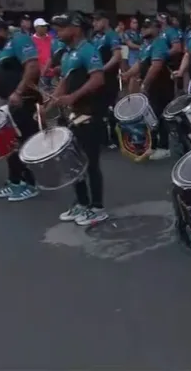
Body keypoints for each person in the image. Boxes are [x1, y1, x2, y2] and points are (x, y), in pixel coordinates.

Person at [50, 12, 109, 226]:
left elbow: (98, 79)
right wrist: (49, 105)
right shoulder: (67, 54)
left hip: (90, 114)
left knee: (90, 163)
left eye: (62, 27)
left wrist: (73, 97)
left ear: (76, 28)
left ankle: (97, 207)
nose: (57, 31)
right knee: (73, 161)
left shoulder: (88, 50)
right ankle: (82, 203)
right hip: (72, 116)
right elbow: (64, 82)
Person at [0, 17, 41, 201]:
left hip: (24, 100)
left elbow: (32, 66)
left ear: (0, 30)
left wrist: (19, 91)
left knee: (25, 140)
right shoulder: (1, 48)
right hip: (9, 101)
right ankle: (15, 181)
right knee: (10, 142)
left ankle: (31, 183)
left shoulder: (19, 40)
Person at [119, 17, 174, 161]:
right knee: (151, 117)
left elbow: (156, 66)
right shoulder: (145, 45)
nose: (144, 29)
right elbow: (140, 63)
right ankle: (152, 146)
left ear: (157, 29)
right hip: (151, 88)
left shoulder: (159, 43)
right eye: (143, 27)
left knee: (159, 117)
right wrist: (127, 74)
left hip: (161, 86)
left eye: (148, 27)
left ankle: (163, 147)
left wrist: (145, 84)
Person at [91, 11, 123, 149]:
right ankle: (102, 138)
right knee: (98, 108)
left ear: (105, 21)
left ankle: (115, 139)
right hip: (97, 78)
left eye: (97, 20)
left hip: (109, 77)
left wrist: (102, 69)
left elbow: (117, 56)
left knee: (110, 108)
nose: (94, 24)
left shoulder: (112, 35)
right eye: (94, 21)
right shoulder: (95, 38)